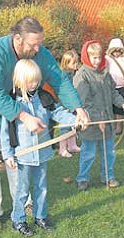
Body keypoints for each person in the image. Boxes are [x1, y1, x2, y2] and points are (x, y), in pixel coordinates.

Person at [0, 16, 88, 231]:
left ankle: (25, 205)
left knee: (20, 162)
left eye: (40, 43)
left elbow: (59, 79)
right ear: (17, 38)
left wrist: (78, 109)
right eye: (33, 44)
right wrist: (24, 116)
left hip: (18, 116)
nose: (38, 49)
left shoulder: (39, 52)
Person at [0, 59, 78, 236]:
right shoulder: (12, 102)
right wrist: (8, 154)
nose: (34, 84)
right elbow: (5, 132)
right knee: (22, 191)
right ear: (19, 80)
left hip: (42, 153)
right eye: (30, 81)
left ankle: (40, 216)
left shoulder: (43, 97)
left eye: (36, 80)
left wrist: (75, 120)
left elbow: (57, 112)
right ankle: (18, 220)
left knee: (41, 186)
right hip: (23, 155)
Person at [73, 40, 124, 191]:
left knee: (109, 152)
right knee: (88, 153)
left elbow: (113, 92)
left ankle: (108, 176)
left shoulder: (105, 72)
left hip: (107, 121)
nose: (97, 61)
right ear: (87, 57)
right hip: (90, 122)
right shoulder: (82, 75)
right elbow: (84, 102)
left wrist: (122, 103)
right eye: (93, 57)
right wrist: (97, 119)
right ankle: (82, 178)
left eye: (99, 57)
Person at [59, 49, 81, 158]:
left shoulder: (73, 73)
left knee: (73, 124)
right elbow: (65, 91)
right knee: (65, 126)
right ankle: (62, 149)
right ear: (66, 63)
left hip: (71, 104)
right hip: (65, 104)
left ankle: (72, 145)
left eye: (77, 62)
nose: (76, 64)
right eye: (73, 62)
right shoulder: (65, 75)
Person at [106, 38, 124, 135]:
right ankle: (113, 126)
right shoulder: (107, 60)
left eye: (118, 50)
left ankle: (119, 127)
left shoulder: (123, 59)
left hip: (121, 87)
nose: (116, 53)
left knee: (120, 109)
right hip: (111, 87)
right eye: (114, 51)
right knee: (112, 108)